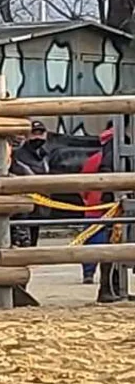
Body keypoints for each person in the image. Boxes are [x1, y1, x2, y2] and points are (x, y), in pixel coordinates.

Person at [81, 126, 117, 297]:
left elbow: (83, 184)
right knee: (105, 243)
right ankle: (108, 286)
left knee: (99, 243)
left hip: (98, 205)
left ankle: (99, 280)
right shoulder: (102, 157)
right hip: (103, 206)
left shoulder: (95, 158)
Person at [10, 120, 50, 247]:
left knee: (33, 243)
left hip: (39, 207)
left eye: (40, 133)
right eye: (34, 133)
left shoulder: (45, 155)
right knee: (22, 245)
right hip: (22, 210)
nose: (37, 137)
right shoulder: (17, 155)